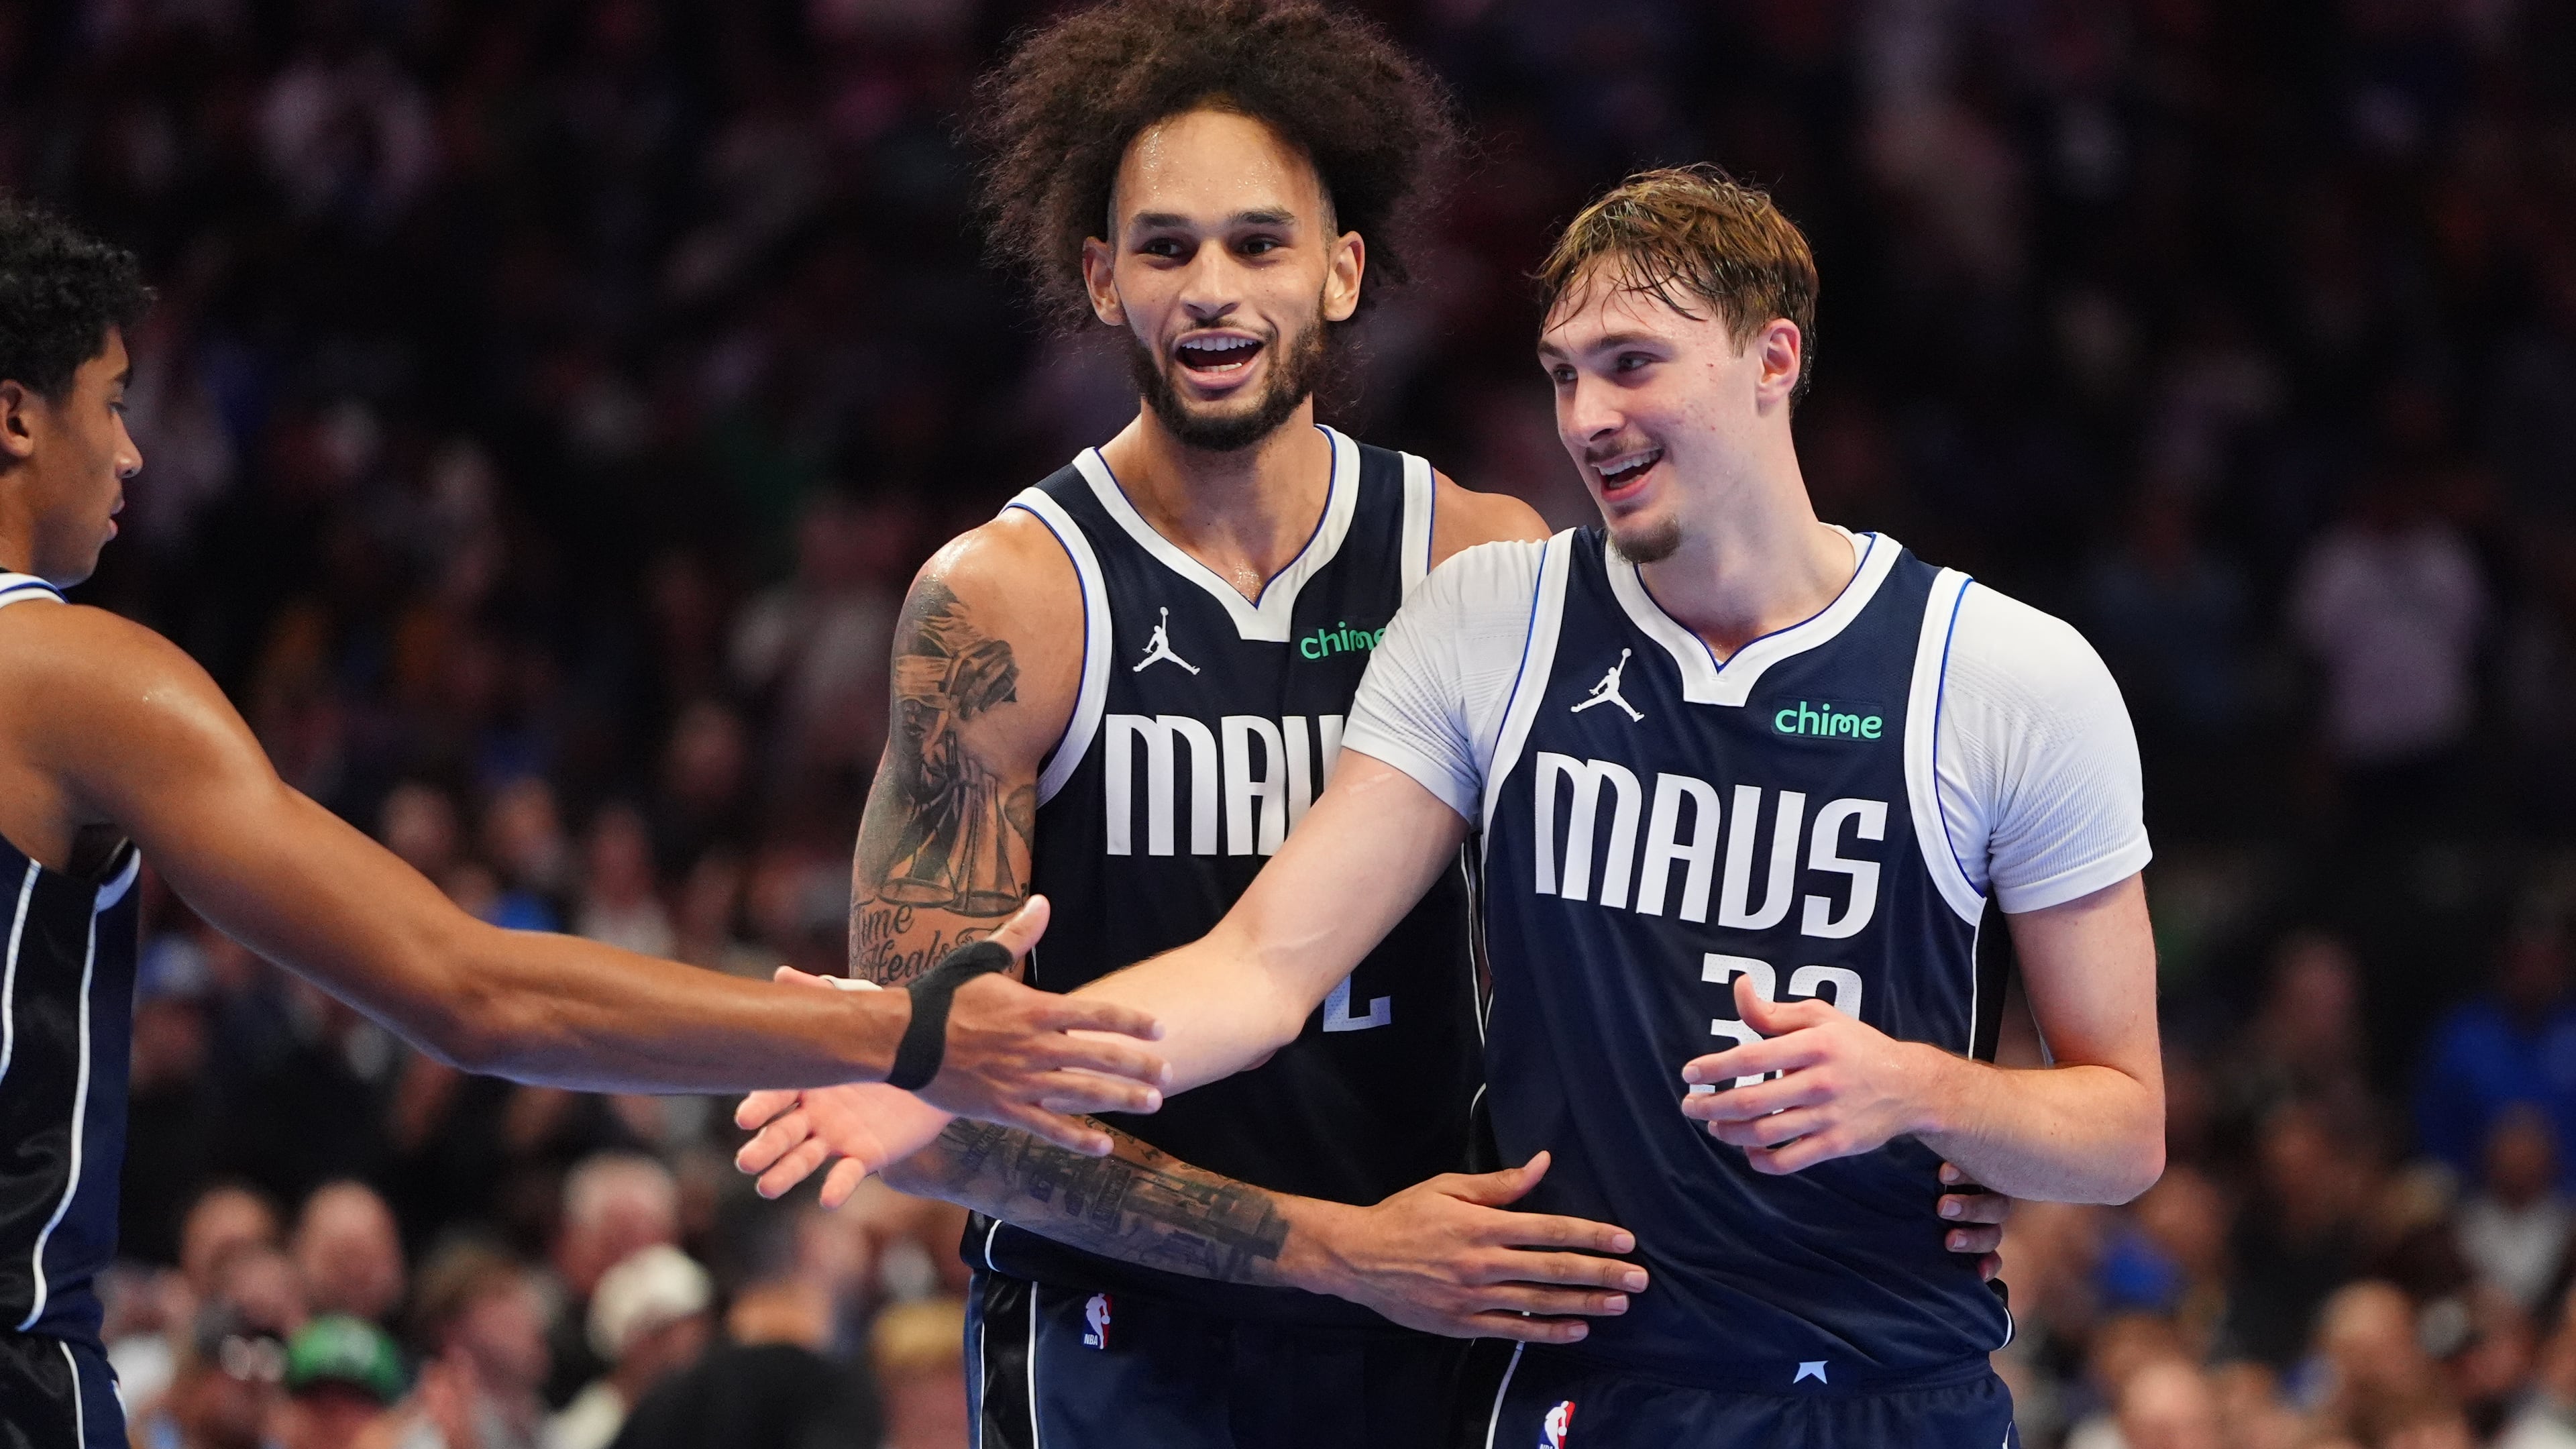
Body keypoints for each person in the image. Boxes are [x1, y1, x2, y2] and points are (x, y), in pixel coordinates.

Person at [748, 164, 2161, 1447]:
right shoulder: (1495, 616)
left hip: (1891, 1388)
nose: (1591, 418)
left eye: (1632, 366)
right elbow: (1259, 969)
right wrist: (933, 1059)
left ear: (1772, 360)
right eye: (1562, 376)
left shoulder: (2012, 675)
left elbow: (2121, 1131)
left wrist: (1923, 1092)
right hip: (1576, 1379)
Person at [0, 198, 1169, 1448]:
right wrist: (900, 1029)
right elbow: (474, 992)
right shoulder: (69, 676)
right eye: (114, 401)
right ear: (17, 414)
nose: (131, 454)